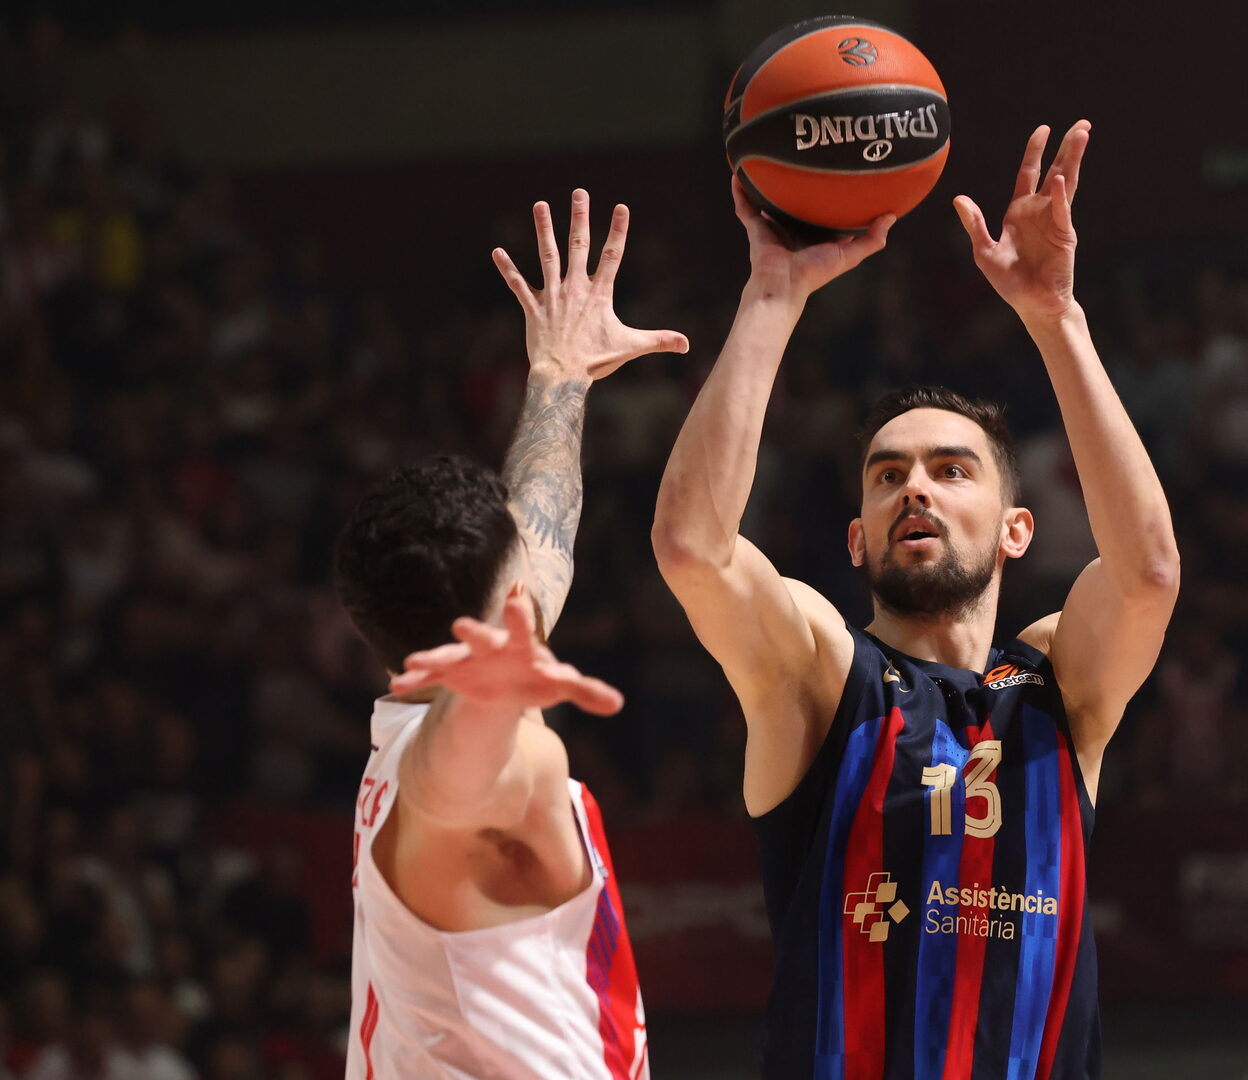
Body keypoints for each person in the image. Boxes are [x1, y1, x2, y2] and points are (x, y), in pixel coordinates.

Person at [652, 122, 1178, 1078]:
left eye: (951, 469)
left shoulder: (1058, 681)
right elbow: (692, 548)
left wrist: (1055, 318)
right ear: (857, 538)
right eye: (887, 475)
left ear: (1017, 530)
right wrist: (772, 295)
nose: (915, 489)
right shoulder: (824, 675)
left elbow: (1148, 572)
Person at [333, 189, 686, 1079]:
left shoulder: (404, 717)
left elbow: (541, 524)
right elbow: (449, 787)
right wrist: (485, 709)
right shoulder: (465, 765)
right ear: (505, 603)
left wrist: (560, 376)